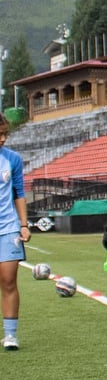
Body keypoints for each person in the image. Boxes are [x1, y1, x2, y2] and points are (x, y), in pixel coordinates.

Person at [0, 117, 30, 351]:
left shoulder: (12, 159)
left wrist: (23, 224)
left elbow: (19, 192)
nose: (3, 138)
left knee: (9, 280)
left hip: (8, 228)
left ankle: (10, 335)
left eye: (5, 134)